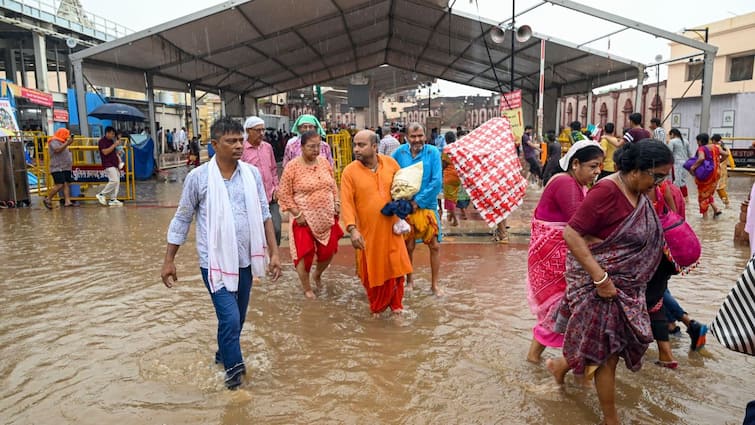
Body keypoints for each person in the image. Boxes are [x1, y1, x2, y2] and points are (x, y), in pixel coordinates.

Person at [547, 139, 672, 425]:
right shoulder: (606, 191)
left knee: (599, 343)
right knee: (608, 352)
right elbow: (571, 234)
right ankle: (611, 419)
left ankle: (559, 367)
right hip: (601, 286)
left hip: (626, 286)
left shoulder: (641, 193)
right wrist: (600, 278)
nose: (660, 184)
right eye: (657, 176)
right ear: (637, 170)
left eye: (664, 177)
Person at [160, 116, 282, 390]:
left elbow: (264, 215)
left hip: (246, 259)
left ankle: (221, 355)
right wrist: (169, 260)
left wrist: (274, 254)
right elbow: (182, 218)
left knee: (236, 320)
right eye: (231, 141)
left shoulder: (251, 175)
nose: (239, 145)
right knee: (230, 318)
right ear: (215, 145)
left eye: (241, 140)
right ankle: (235, 380)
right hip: (213, 262)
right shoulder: (198, 178)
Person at [526, 140, 604, 363]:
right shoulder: (566, 184)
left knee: (560, 308)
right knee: (561, 307)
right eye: (593, 166)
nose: (598, 171)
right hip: (553, 255)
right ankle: (563, 363)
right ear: (576, 164)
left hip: (556, 254)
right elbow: (581, 225)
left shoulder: (576, 183)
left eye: (600, 165)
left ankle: (535, 359)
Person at [340, 130, 413, 316]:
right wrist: (352, 229)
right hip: (368, 236)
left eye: (361, 145)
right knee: (374, 277)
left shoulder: (390, 164)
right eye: (355, 145)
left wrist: (405, 205)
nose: (356, 149)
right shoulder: (349, 172)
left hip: (393, 231)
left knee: (397, 274)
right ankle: (377, 312)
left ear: (374, 146)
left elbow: (403, 189)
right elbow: (346, 203)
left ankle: (397, 310)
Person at [277, 131, 343, 299]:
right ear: (302, 147)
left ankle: (317, 274)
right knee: (304, 255)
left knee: (329, 251)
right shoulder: (293, 166)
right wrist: (296, 213)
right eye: (311, 147)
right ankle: (307, 288)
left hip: (326, 216)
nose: (315, 150)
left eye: (318, 146)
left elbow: (333, 184)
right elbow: (284, 194)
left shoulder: (324, 162)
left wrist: (336, 202)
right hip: (303, 219)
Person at [392, 122, 444, 295]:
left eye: (420, 135)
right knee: (408, 246)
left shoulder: (433, 152)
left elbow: (436, 181)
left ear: (425, 136)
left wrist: (418, 202)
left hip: (428, 206)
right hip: (405, 207)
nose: (417, 140)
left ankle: (435, 284)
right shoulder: (398, 153)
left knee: (435, 245)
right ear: (406, 137)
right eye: (413, 136)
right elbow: (390, 175)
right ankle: (409, 281)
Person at [241, 116, 282, 246]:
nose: (262, 133)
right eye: (258, 130)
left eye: (263, 130)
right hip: (252, 199)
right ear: (248, 130)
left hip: (270, 197)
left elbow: (274, 169)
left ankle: (273, 254)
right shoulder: (241, 149)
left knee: (276, 228)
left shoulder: (268, 147)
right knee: (256, 232)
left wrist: (276, 187)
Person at [689, 133, 726, 217]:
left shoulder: (702, 148)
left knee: (703, 195)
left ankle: (705, 218)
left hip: (707, 174)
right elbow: (726, 154)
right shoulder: (715, 147)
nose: (697, 143)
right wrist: (719, 162)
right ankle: (716, 209)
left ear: (700, 141)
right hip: (716, 173)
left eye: (697, 141)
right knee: (708, 193)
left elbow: (701, 158)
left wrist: (693, 167)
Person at [43, 128, 76, 209]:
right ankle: (48, 198)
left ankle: (67, 201)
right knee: (59, 184)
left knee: (66, 184)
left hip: (66, 167)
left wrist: (67, 143)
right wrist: (67, 143)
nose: (67, 136)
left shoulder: (63, 141)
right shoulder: (53, 141)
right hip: (57, 167)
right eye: (65, 134)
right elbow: (57, 150)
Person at [95, 126, 123, 207]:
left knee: (117, 182)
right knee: (114, 180)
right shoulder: (102, 141)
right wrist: (114, 145)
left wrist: (118, 152)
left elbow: (113, 151)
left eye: (114, 134)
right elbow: (105, 152)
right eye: (111, 134)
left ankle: (113, 199)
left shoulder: (111, 141)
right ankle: (101, 194)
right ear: (107, 133)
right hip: (108, 164)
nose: (112, 135)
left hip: (114, 163)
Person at [442, 131, 461, 226]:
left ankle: (455, 219)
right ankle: (450, 216)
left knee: (449, 198)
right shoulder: (458, 149)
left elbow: (444, 164)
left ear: (446, 139)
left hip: (449, 175)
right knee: (453, 197)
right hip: (457, 176)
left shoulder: (447, 149)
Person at [667, 128, 690, 199]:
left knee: (675, 182)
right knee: (682, 181)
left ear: (672, 134)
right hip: (685, 164)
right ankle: (686, 199)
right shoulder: (686, 141)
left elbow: (669, 153)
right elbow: (689, 154)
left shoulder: (672, 141)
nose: (669, 137)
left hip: (676, 164)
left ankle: (675, 199)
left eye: (670, 135)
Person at [711, 134, 731, 207]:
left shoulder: (716, 147)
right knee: (718, 187)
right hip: (723, 169)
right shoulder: (724, 146)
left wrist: (718, 161)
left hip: (717, 169)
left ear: (713, 140)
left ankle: (726, 203)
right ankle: (725, 203)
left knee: (718, 187)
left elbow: (725, 155)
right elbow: (727, 155)